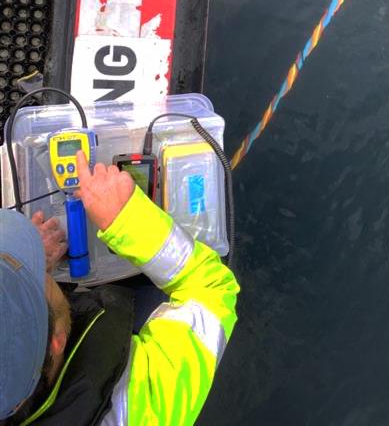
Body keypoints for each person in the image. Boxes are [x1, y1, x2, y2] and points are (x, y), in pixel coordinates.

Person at [0, 151, 239, 425]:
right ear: (57, 341)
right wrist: (129, 220)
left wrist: (27, 269)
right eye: (35, 278)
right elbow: (211, 290)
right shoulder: (137, 409)